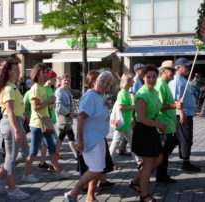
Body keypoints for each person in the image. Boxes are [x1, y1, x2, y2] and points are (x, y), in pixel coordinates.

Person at [65, 71, 114, 202]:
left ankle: (90, 197)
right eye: (103, 81)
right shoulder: (90, 96)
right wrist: (80, 140)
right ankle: (73, 192)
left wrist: (106, 107)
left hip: (99, 138)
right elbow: (80, 119)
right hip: (91, 139)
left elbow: (97, 114)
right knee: (96, 169)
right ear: (96, 80)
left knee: (97, 168)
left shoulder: (99, 96)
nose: (104, 85)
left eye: (107, 84)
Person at [23, 63, 70, 182]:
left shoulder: (42, 87)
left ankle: (58, 172)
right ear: (36, 74)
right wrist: (49, 101)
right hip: (38, 124)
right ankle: (26, 175)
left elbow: (44, 106)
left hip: (46, 123)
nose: (46, 75)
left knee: (52, 147)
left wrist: (50, 104)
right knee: (33, 150)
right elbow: (35, 107)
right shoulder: (35, 88)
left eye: (46, 72)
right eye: (43, 72)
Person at [130, 64, 166, 202]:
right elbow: (142, 118)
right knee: (148, 164)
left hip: (152, 130)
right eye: (148, 77)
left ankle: (135, 181)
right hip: (144, 131)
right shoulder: (142, 94)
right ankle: (144, 195)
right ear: (143, 77)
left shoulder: (154, 91)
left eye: (154, 77)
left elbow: (156, 110)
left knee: (158, 159)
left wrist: (159, 126)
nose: (151, 80)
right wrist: (159, 125)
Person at [0, 58, 30, 199]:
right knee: (11, 156)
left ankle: (2, 175)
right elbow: (9, 111)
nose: (18, 71)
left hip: (16, 121)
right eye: (15, 69)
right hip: (11, 123)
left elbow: (16, 107)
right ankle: (11, 189)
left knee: (24, 152)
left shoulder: (13, 86)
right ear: (8, 71)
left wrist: (22, 115)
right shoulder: (8, 88)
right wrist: (16, 130)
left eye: (18, 69)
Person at [168, 57, 200, 172]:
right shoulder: (176, 80)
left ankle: (162, 155)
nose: (187, 68)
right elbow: (175, 99)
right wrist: (181, 112)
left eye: (187, 66)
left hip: (186, 113)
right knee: (185, 138)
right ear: (178, 67)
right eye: (185, 66)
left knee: (178, 138)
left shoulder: (183, 79)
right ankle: (185, 162)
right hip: (182, 114)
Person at [155, 60, 182, 183]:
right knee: (163, 153)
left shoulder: (165, 83)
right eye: (172, 71)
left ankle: (161, 174)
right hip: (163, 126)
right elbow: (158, 106)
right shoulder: (160, 84)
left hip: (168, 124)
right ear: (164, 71)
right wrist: (174, 105)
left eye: (174, 71)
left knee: (165, 151)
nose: (174, 73)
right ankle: (159, 174)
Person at [109, 72, 141, 170]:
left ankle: (139, 161)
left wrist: (131, 118)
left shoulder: (126, 92)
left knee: (133, 143)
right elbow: (121, 107)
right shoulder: (123, 93)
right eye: (132, 80)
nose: (134, 81)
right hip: (122, 124)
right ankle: (108, 162)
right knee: (115, 144)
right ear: (128, 81)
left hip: (126, 124)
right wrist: (132, 107)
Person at [118, 63, 146, 157]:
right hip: (134, 109)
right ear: (137, 70)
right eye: (142, 69)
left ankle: (124, 149)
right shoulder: (135, 81)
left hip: (133, 109)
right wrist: (135, 109)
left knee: (130, 131)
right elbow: (132, 95)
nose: (143, 70)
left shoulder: (138, 80)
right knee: (132, 130)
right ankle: (126, 149)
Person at [38, 70, 61, 170]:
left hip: (50, 117)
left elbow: (51, 104)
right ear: (49, 78)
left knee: (45, 143)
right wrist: (51, 103)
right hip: (46, 119)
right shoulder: (44, 89)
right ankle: (53, 164)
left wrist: (53, 104)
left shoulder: (51, 89)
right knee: (54, 141)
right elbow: (43, 104)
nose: (55, 80)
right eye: (54, 78)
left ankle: (42, 163)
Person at [55, 74, 77, 160]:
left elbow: (71, 104)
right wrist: (68, 113)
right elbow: (58, 106)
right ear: (60, 81)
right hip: (64, 118)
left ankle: (55, 153)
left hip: (68, 118)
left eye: (68, 80)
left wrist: (72, 112)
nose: (67, 82)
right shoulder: (58, 91)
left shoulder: (67, 92)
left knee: (61, 136)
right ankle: (76, 155)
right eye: (65, 80)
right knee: (71, 136)